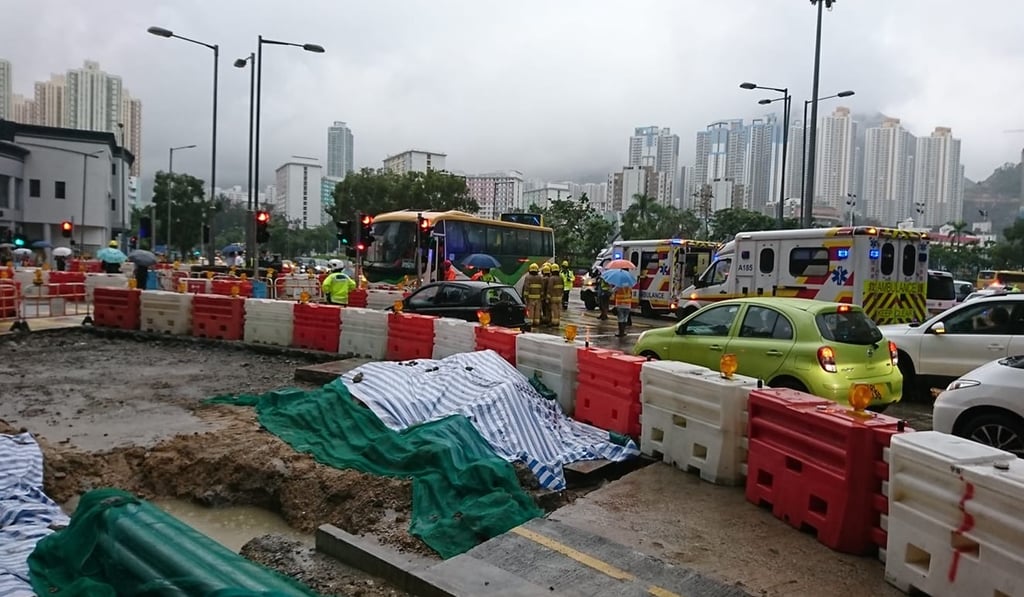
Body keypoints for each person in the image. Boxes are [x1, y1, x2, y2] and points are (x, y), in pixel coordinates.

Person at [524, 263, 544, 328]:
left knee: (531, 311)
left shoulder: (528, 277)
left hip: (530, 298)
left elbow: (526, 287)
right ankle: (537, 322)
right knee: (537, 310)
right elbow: (542, 288)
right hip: (538, 298)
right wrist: (542, 296)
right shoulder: (540, 277)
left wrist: (525, 296)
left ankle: (530, 322)